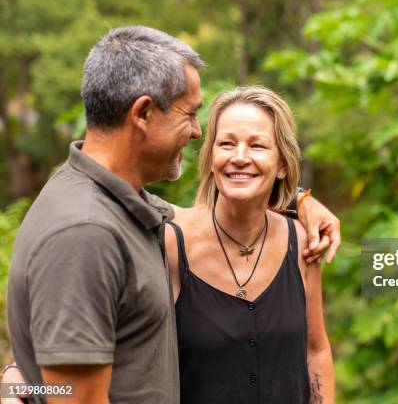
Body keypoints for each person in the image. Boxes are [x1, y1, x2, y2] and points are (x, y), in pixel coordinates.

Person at [3, 26, 340, 404]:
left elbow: (59, 377)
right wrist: (16, 382)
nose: (198, 133)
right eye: (191, 114)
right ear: (144, 113)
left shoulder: (131, 211)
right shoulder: (87, 231)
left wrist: (300, 198)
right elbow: (72, 394)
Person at [165, 86, 334, 403]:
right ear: (212, 156)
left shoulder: (302, 242)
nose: (239, 158)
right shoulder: (172, 243)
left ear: (283, 164)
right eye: (227, 144)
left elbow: (316, 350)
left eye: (257, 146)